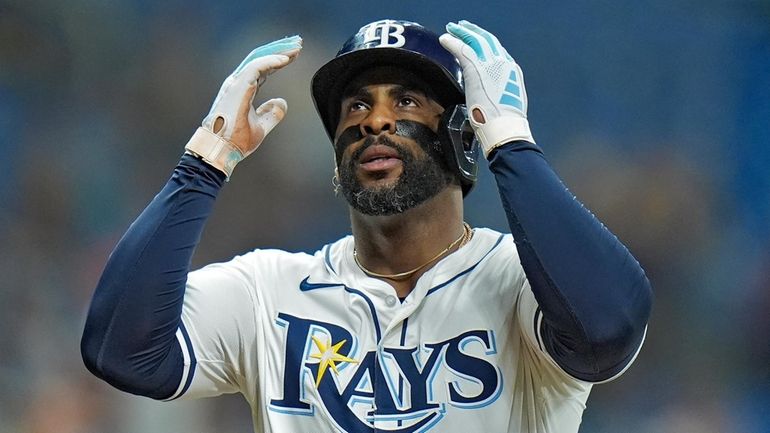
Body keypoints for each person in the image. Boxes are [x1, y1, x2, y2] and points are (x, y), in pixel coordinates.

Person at [81, 19, 652, 433]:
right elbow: (120, 351)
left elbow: (608, 331)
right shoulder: (269, 291)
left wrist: (508, 141)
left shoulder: (523, 280)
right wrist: (203, 164)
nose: (375, 119)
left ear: (459, 133)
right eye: (355, 107)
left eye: (405, 101)